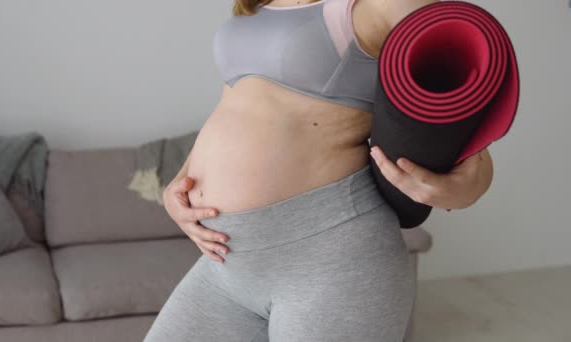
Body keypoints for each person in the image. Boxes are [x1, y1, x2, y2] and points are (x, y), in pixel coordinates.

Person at [144, 0, 494, 341]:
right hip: (225, 266)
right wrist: (182, 179)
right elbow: (236, 106)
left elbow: (462, 107)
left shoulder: (377, 6)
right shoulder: (257, 6)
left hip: (332, 261)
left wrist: (464, 187)